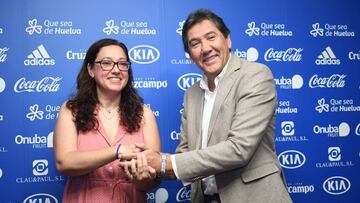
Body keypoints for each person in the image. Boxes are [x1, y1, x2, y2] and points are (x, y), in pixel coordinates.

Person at [120, 9, 292, 203]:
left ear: (227, 40)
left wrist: (163, 163)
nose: (205, 48)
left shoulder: (255, 75)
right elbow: (185, 155)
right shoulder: (192, 94)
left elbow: (239, 149)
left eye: (211, 37)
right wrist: (149, 164)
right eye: (195, 43)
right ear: (190, 55)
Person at [54, 38, 160, 203]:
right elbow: (64, 163)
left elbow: (152, 180)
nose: (116, 70)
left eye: (122, 64)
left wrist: (140, 177)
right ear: (90, 69)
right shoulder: (71, 110)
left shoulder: (145, 114)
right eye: (106, 63)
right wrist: (117, 151)